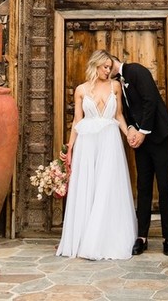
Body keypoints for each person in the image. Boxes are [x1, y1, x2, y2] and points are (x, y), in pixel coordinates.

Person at [56, 49, 137, 260]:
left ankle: (105, 239)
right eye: (105, 67)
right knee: (88, 187)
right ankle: (84, 237)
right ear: (95, 65)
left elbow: (118, 114)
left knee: (107, 186)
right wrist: (70, 147)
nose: (108, 71)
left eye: (110, 68)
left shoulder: (115, 86)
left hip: (110, 141)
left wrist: (128, 133)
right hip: (87, 143)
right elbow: (77, 121)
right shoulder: (81, 90)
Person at [109, 54, 168, 256]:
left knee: (164, 185)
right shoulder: (117, 83)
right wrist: (131, 129)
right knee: (143, 185)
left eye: (107, 66)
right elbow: (127, 112)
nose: (105, 71)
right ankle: (142, 236)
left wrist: (142, 132)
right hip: (140, 141)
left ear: (113, 62)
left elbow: (151, 101)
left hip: (159, 136)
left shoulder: (137, 70)